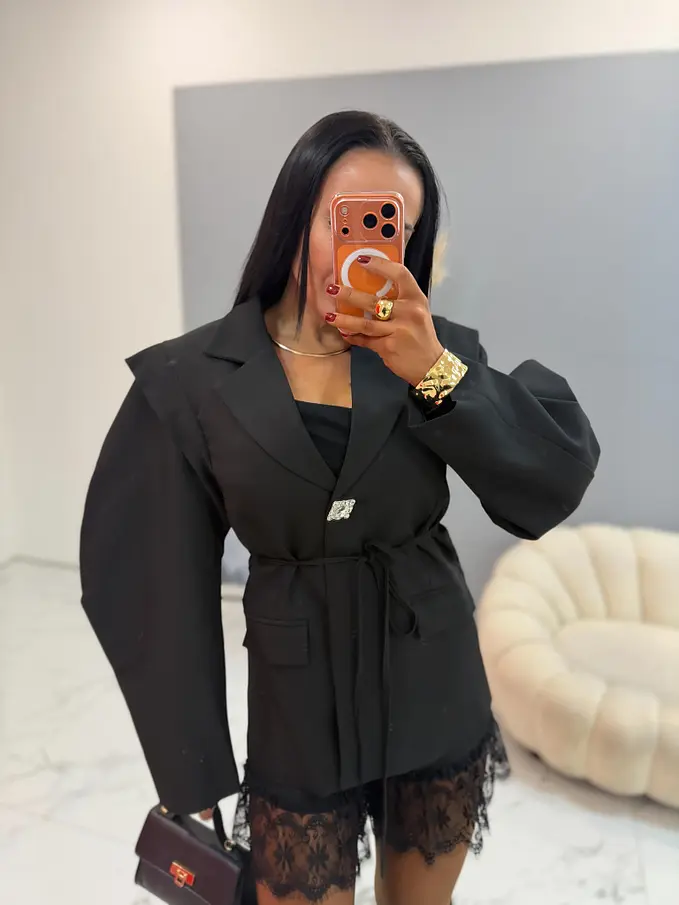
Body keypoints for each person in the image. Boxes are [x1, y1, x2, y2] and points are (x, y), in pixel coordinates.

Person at [80, 111, 600, 905]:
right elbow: (149, 576)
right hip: (297, 705)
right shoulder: (192, 380)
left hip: (431, 671)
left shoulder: (435, 353)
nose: (366, 246)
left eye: (395, 226)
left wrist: (434, 370)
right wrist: (192, 764)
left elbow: (548, 481)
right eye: (345, 218)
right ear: (294, 218)